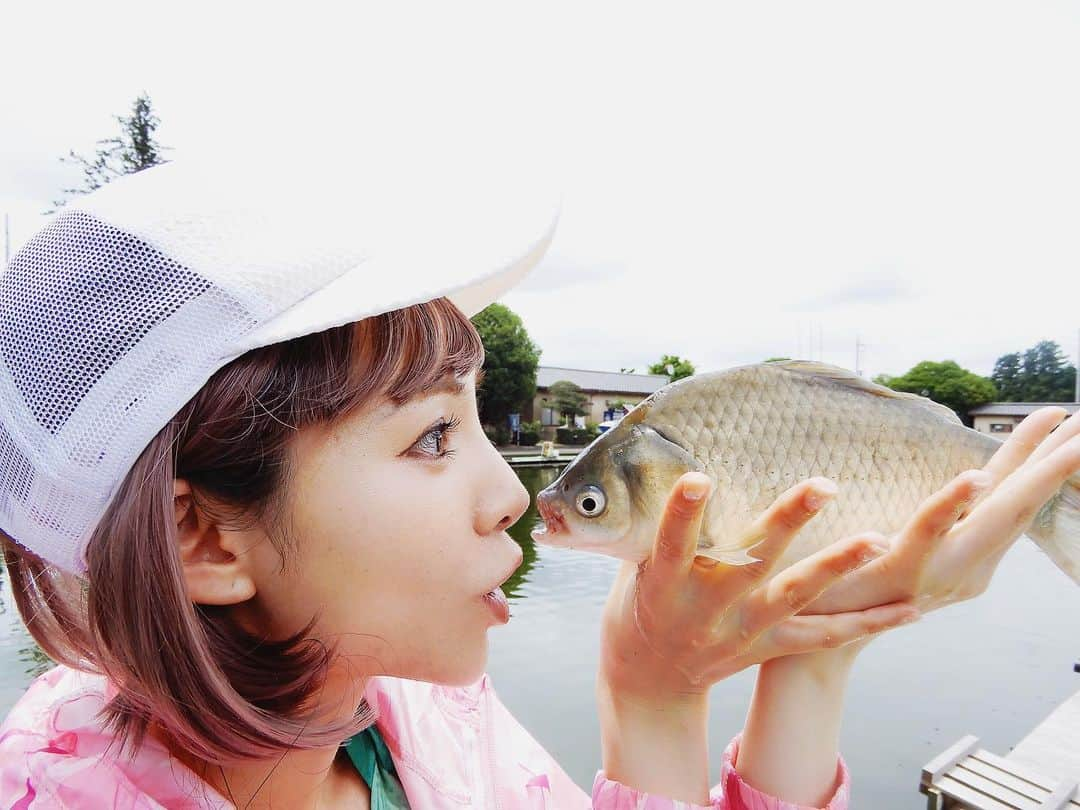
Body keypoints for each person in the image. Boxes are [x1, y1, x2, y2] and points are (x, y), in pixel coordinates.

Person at [0, 160, 1077, 809]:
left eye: (477, 418)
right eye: (431, 437)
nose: (512, 495)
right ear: (208, 542)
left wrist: (807, 643)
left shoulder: (420, 713)